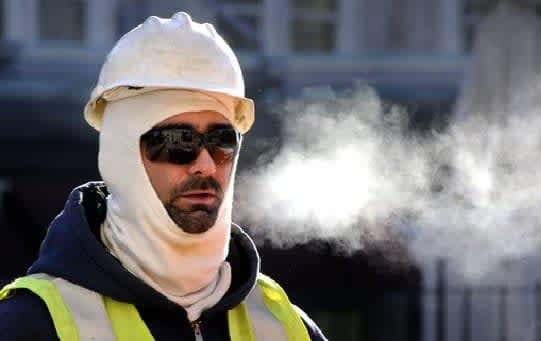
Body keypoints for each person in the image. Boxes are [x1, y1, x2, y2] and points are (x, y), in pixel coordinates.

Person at [0, 12, 326, 341]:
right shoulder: (30, 325)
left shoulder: (285, 327)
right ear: (122, 153)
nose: (206, 165)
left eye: (222, 141)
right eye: (177, 142)